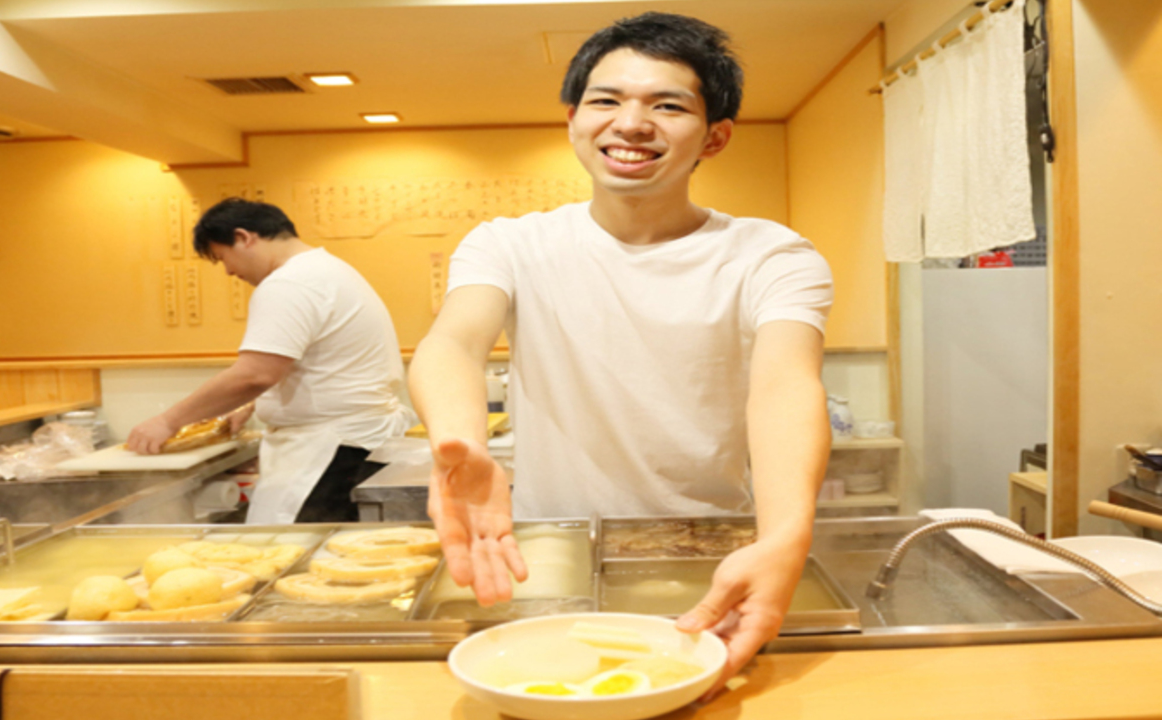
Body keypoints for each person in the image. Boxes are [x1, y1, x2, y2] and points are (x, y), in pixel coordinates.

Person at [407, 12, 833, 696]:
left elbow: (786, 387)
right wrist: (460, 443)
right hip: (547, 547)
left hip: (705, 544)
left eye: (668, 106)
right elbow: (453, 342)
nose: (631, 124)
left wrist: (785, 535)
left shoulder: (771, 255)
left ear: (715, 136)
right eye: (606, 100)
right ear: (574, 120)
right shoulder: (509, 244)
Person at [127, 198, 415, 524]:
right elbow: (317, 364)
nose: (229, 271)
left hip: (329, 453)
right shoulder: (327, 270)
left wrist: (168, 421)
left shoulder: (289, 282)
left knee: (305, 551)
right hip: (354, 443)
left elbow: (254, 375)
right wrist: (251, 405)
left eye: (223, 257)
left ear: (244, 237)